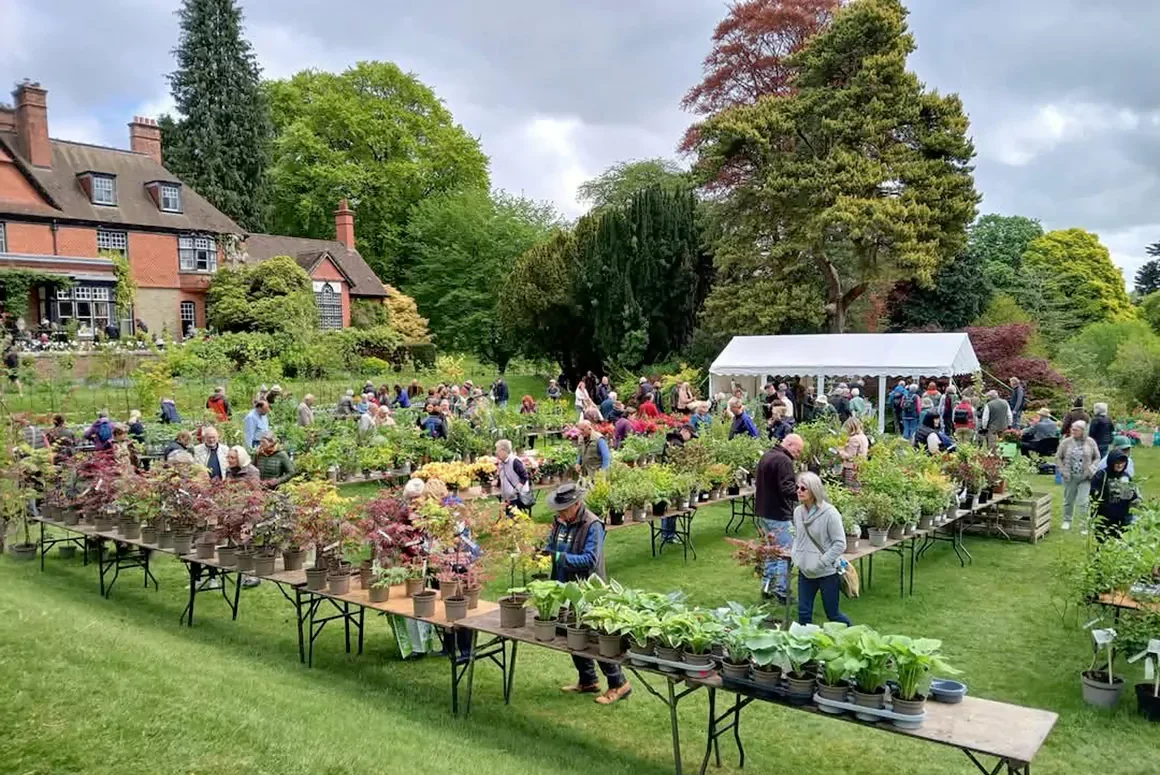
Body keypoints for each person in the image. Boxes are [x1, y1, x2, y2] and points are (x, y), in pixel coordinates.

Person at [545, 483, 631, 705]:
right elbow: (552, 545)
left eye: (564, 509)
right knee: (572, 634)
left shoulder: (593, 525)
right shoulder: (560, 521)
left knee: (595, 639)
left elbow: (590, 560)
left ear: (577, 504)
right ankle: (588, 680)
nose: (560, 513)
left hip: (588, 589)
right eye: (558, 509)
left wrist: (557, 558)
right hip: (565, 586)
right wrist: (544, 551)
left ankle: (619, 683)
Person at [791, 472, 852, 626]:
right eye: (797, 487)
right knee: (803, 613)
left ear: (814, 491)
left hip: (827, 573)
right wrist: (795, 557)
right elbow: (798, 537)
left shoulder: (830, 514)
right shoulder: (798, 512)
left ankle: (855, 638)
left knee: (833, 614)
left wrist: (822, 562)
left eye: (803, 488)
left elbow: (840, 543)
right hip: (805, 572)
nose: (799, 491)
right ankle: (805, 647)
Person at [754, 433, 804, 604]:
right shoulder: (784, 461)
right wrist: (805, 494)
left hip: (763, 511)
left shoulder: (767, 455)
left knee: (772, 550)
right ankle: (781, 591)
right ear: (789, 444)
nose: (797, 456)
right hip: (778, 513)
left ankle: (767, 586)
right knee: (786, 551)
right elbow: (786, 488)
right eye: (797, 451)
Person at [1055, 419, 1100, 532]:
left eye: (1076, 430)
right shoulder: (1066, 442)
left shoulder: (1091, 442)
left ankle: (1083, 525)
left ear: (1083, 431)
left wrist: (1091, 469)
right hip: (1069, 476)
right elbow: (1058, 457)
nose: (1073, 431)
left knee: (1083, 501)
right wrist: (1062, 470)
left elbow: (1097, 457)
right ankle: (1067, 520)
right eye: (1072, 429)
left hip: (1085, 477)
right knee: (1068, 500)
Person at [1089, 449, 1139, 542]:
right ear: (1111, 462)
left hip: (1122, 519)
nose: (1120, 465)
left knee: (1119, 545)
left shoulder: (1126, 476)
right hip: (1104, 518)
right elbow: (1093, 495)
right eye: (1117, 463)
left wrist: (1131, 495)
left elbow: (1132, 498)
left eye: (1122, 462)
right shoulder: (1101, 475)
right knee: (1103, 544)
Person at [496, 439, 532, 514]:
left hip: (517, 497)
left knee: (513, 519)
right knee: (510, 520)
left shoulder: (515, 461)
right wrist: (497, 483)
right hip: (508, 498)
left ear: (504, 450)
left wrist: (515, 491)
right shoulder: (501, 463)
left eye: (498, 450)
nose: (496, 452)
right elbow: (503, 476)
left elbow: (524, 477)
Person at [838, 416, 869, 485]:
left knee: (850, 488)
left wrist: (840, 451)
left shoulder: (854, 439)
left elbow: (850, 456)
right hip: (861, 466)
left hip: (851, 467)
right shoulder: (863, 437)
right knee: (858, 488)